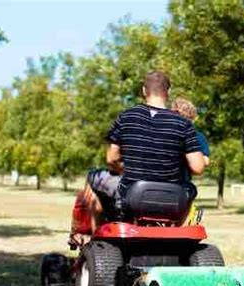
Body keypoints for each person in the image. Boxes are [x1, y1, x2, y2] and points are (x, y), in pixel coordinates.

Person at [84, 71, 205, 231]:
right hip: (173, 197)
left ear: (143, 91)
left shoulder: (126, 117)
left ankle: (95, 235)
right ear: (168, 92)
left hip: (132, 193)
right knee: (190, 188)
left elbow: (111, 158)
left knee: (93, 177)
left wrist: (125, 169)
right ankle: (176, 229)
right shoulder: (184, 124)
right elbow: (198, 168)